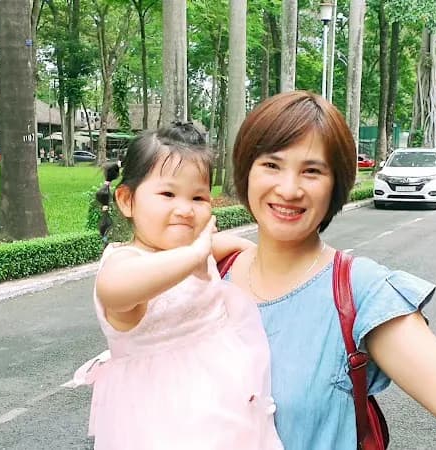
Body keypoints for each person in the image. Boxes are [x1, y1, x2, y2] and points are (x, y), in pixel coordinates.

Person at [220, 91, 436, 449]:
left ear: (336, 185)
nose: (289, 189)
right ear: (246, 171)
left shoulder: (358, 291)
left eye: (312, 171)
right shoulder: (209, 274)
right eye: (272, 165)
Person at [69, 123, 283, 450]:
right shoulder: (125, 262)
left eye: (198, 197)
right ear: (126, 200)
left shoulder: (192, 251)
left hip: (228, 410)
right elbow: (114, 289)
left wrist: (249, 251)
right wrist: (195, 254)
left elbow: (224, 246)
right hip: (161, 423)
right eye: (168, 194)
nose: (185, 209)